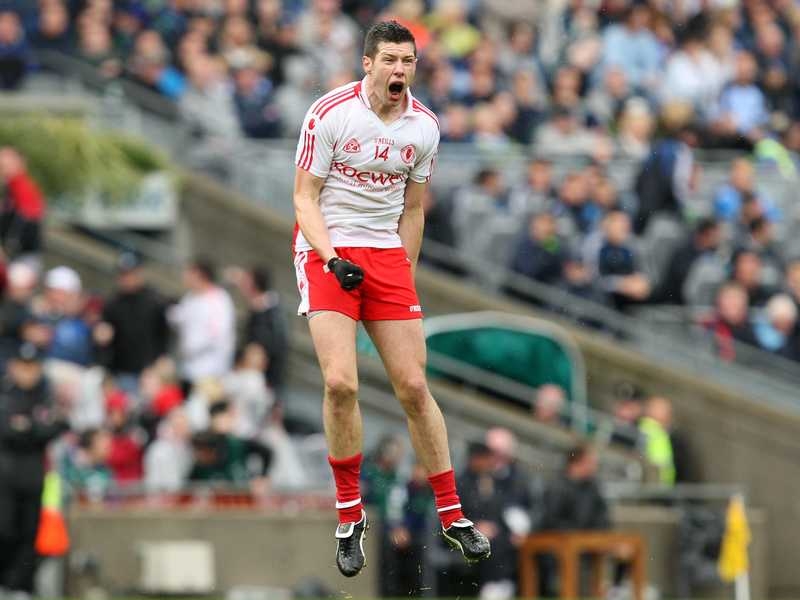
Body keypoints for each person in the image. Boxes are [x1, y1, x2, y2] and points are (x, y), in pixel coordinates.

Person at [291, 20, 490, 577]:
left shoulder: (424, 127)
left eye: (408, 61)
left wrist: (404, 273)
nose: (399, 70)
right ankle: (350, 515)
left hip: (385, 256)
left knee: (413, 386)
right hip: (326, 245)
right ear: (368, 64)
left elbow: (413, 208)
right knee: (340, 382)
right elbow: (304, 199)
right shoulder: (329, 113)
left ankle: (452, 514)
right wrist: (332, 259)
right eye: (390, 60)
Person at [0, 343, 69, 595]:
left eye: (33, 367)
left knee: (30, 533)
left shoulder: (47, 396)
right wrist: (34, 429)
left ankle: (18, 586)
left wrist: (28, 428)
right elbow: (8, 430)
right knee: (4, 529)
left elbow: (58, 426)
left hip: (35, 473)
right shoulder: (5, 394)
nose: (28, 373)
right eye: (23, 367)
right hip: (5, 475)